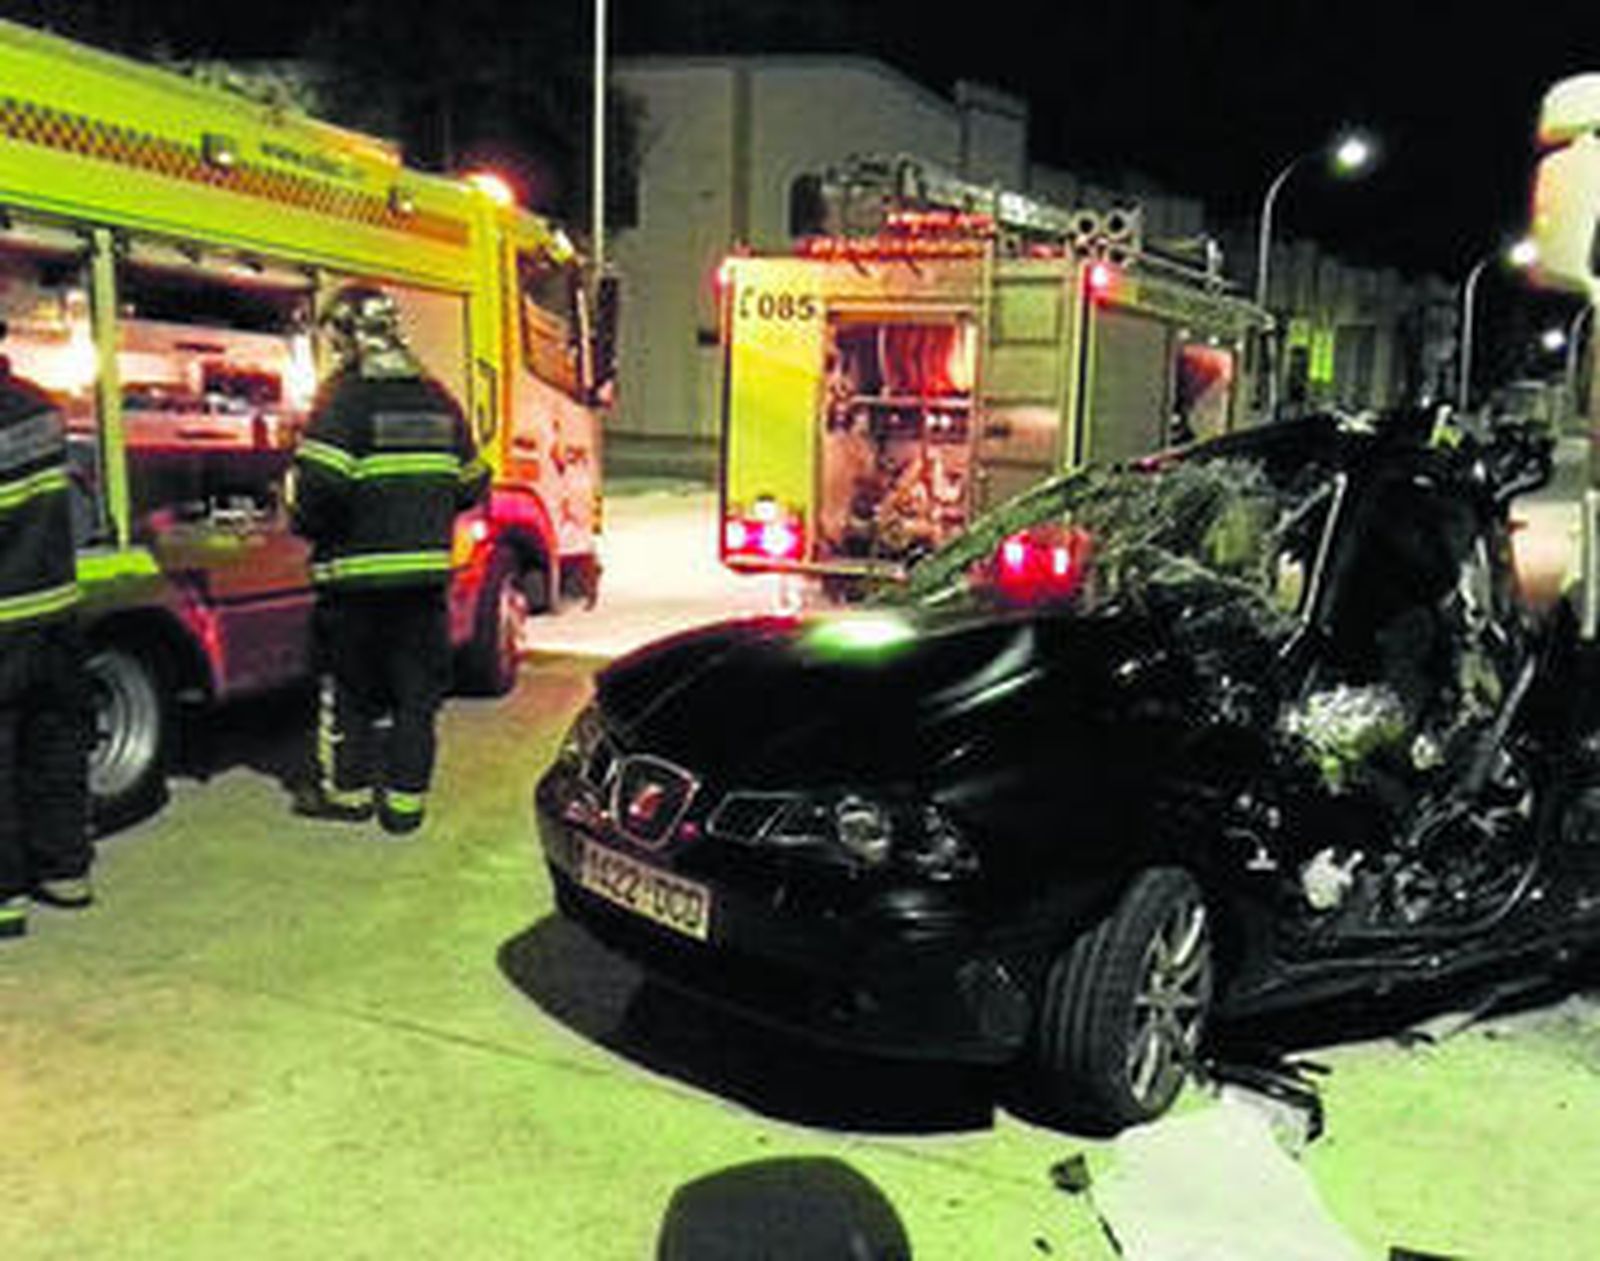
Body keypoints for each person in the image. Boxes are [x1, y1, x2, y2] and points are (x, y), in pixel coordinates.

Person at [290, 286, 489, 835]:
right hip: (423, 584)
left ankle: (350, 796)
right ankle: (405, 808)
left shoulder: (343, 399)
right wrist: (422, 510)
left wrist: (301, 521)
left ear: (349, 336)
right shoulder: (437, 399)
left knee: (350, 692)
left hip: (353, 585)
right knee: (416, 697)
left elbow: (320, 488)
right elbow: (473, 483)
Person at [0, 318, 93, 940]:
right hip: (54, 608)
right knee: (55, 742)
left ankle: (4, 897)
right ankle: (66, 872)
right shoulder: (41, 409)